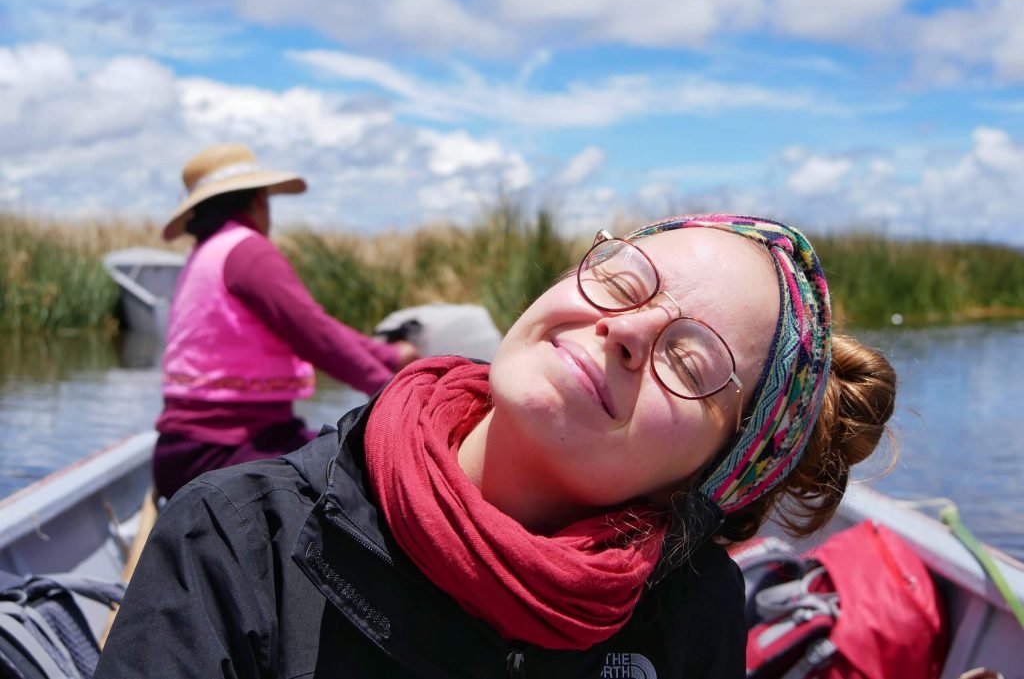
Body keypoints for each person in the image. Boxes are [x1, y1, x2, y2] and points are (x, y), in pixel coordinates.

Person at [96, 214, 895, 678]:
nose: (627, 328)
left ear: (711, 471)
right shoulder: (233, 546)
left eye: (690, 361)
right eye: (624, 281)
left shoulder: (693, 609)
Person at [151, 142, 419, 499]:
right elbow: (314, 336)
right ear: (260, 200)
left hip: (181, 450)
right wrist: (398, 397)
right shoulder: (248, 252)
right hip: (224, 452)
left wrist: (388, 356)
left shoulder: (206, 253)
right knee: (367, 482)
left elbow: (314, 325)